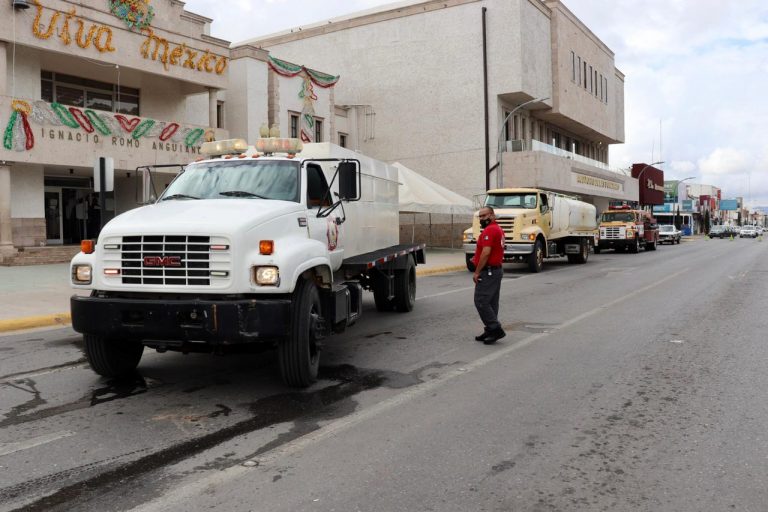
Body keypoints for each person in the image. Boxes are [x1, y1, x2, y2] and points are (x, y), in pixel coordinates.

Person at [472, 206, 506, 344]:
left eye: (484, 216)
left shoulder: (490, 230)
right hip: (495, 270)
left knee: (481, 301)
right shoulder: (497, 228)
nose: (481, 219)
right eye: (479, 216)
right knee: (491, 302)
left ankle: (495, 328)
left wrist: (477, 271)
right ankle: (490, 330)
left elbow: (486, 252)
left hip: (489, 271)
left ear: (492, 215)